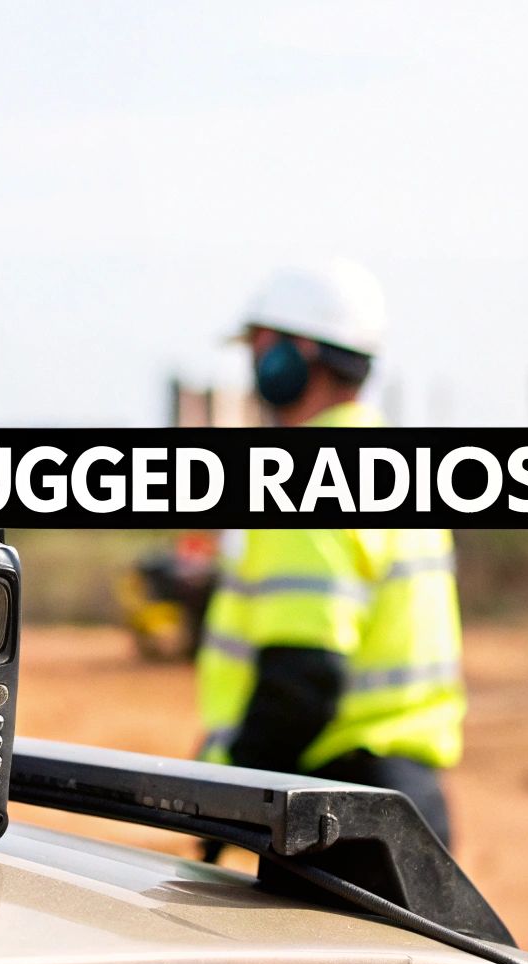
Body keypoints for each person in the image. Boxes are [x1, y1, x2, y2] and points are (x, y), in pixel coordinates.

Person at [194, 259, 464, 846]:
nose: (253, 364)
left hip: (334, 808)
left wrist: (222, 794)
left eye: (260, 346)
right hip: (405, 804)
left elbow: (304, 676)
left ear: (298, 354)